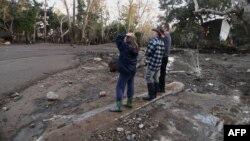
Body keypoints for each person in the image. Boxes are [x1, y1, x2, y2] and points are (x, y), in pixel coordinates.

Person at [110, 33, 140, 112]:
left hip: (125, 71)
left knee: (119, 87)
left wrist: (125, 34)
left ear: (127, 38)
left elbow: (118, 38)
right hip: (132, 70)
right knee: (131, 85)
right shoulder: (136, 47)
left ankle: (118, 107)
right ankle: (129, 103)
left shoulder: (124, 47)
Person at [143, 27, 165, 101]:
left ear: (156, 33)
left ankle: (151, 95)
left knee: (149, 78)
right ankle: (155, 95)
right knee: (156, 78)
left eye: (153, 32)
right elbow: (162, 53)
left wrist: (145, 52)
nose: (152, 33)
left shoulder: (153, 41)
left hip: (152, 63)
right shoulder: (162, 42)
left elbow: (148, 53)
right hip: (158, 64)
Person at [158, 24, 172, 92]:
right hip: (165, 56)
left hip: (163, 57)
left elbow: (158, 37)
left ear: (166, 28)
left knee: (161, 73)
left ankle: (161, 88)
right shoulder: (168, 35)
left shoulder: (165, 35)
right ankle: (161, 88)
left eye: (163, 28)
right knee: (162, 72)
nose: (162, 29)